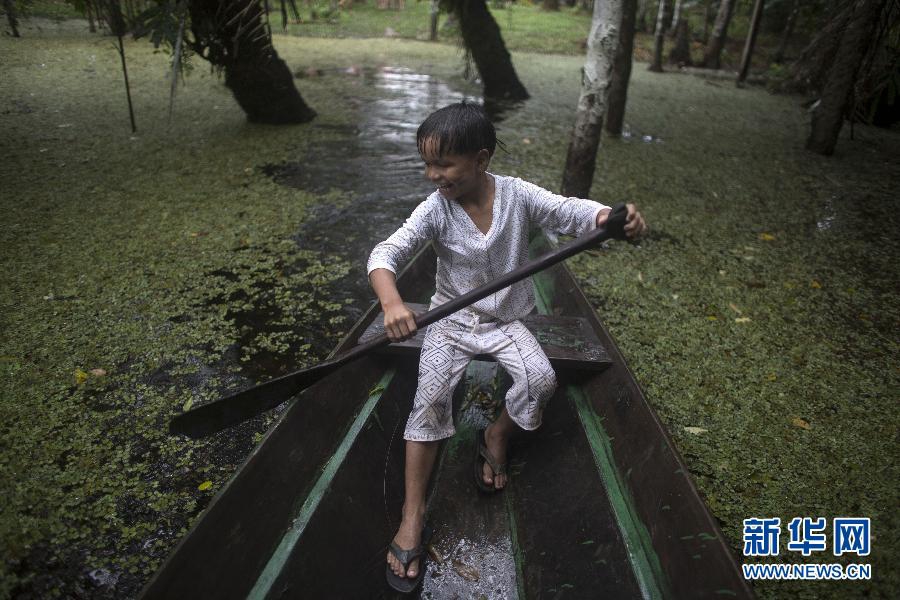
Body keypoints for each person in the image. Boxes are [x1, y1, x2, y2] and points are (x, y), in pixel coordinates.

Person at [367, 102, 646, 590]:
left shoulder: (517, 196)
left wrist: (607, 216)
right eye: (427, 164)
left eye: (444, 164)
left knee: (541, 381)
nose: (434, 175)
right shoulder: (435, 209)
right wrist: (392, 303)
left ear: (481, 158)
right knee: (429, 401)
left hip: (507, 319)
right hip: (450, 318)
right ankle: (413, 515)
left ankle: (496, 435)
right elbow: (386, 252)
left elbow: (569, 211)